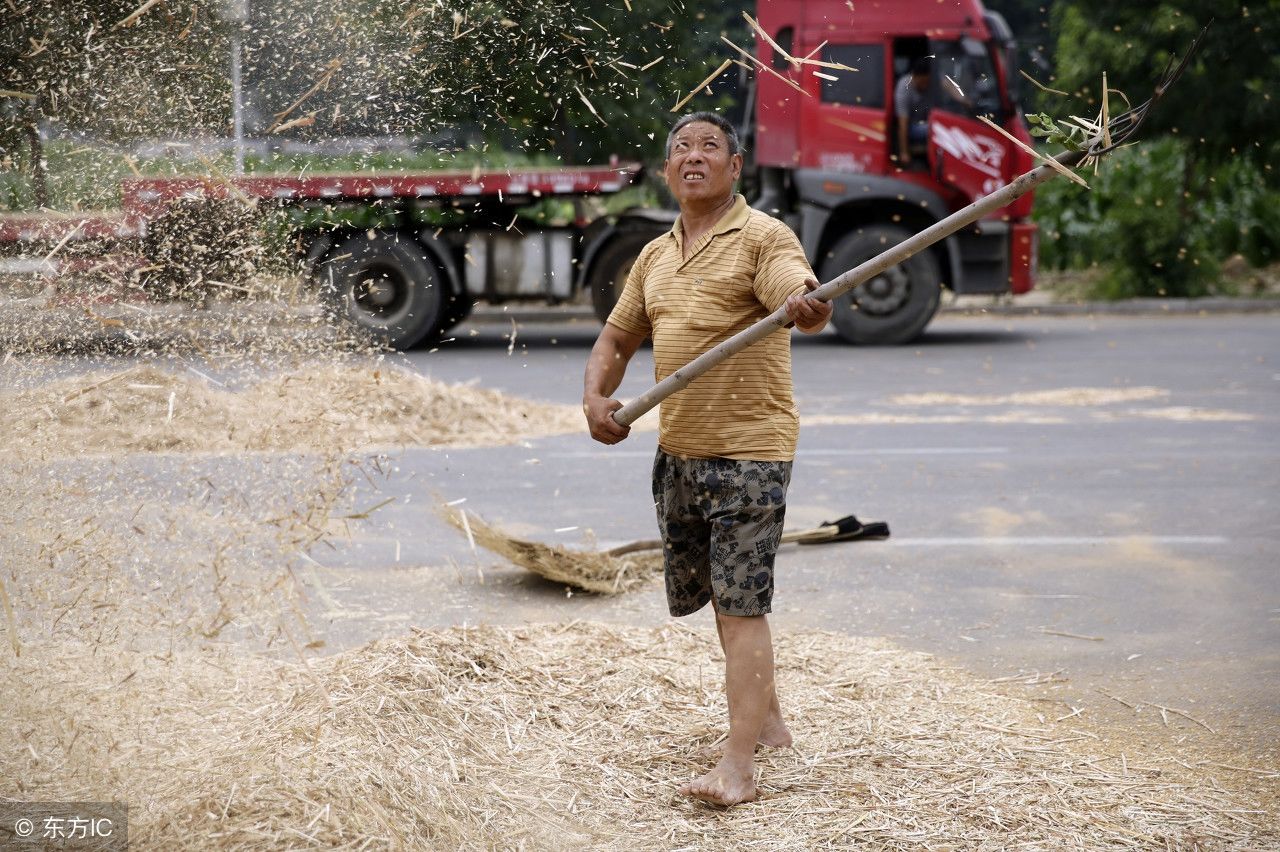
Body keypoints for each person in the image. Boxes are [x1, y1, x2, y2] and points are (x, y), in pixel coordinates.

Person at [582, 111, 832, 807]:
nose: (694, 157)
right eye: (681, 150)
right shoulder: (654, 256)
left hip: (749, 451)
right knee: (723, 599)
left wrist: (804, 306)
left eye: (709, 147)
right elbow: (616, 337)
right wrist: (595, 398)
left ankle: (739, 766)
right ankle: (770, 723)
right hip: (680, 451)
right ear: (666, 173)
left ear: (735, 166)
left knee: (743, 604)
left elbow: (796, 291)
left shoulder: (762, 236)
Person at [894, 58, 932, 167]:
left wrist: (965, 101)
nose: (925, 86)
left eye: (927, 82)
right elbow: (902, 124)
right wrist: (904, 153)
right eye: (922, 82)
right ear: (914, 76)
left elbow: (947, 84)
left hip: (926, 121)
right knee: (933, 128)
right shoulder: (904, 87)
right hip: (912, 126)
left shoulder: (934, 82)